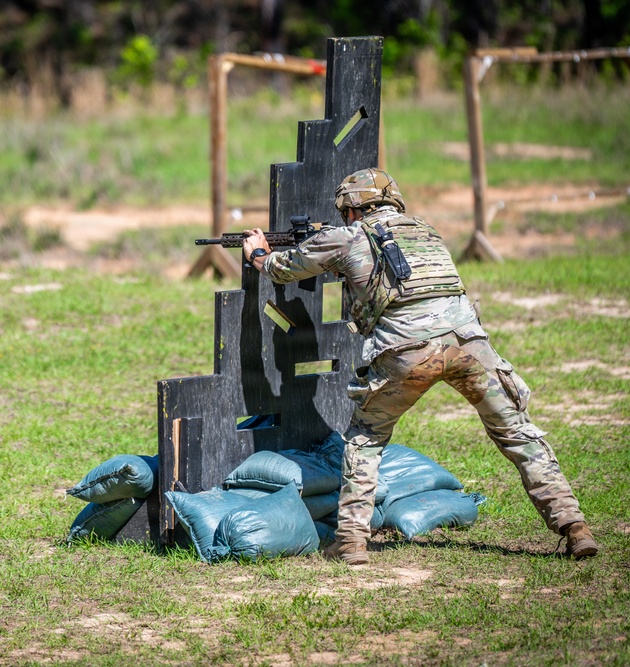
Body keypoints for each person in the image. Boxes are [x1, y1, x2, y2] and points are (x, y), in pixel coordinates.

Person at [241, 168, 598, 565]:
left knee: (365, 438)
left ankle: (351, 542)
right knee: (517, 433)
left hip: (406, 351)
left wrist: (258, 251)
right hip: (468, 346)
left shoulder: (347, 236)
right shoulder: (425, 229)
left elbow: (283, 269)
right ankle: (575, 527)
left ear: (352, 210)